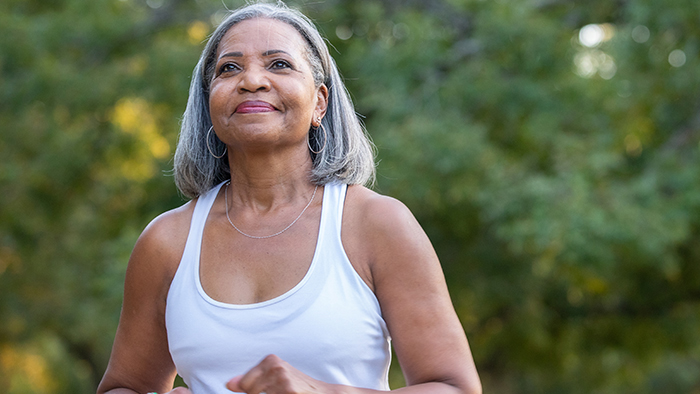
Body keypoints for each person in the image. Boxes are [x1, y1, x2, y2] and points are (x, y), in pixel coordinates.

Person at [97, 2, 481, 394]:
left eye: (278, 64)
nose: (251, 80)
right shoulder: (166, 242)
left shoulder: (377, 225)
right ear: (209, 103)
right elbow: (122, 386)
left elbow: (455, 387)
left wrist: (323, 392)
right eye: (229, 68)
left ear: (319, 102)